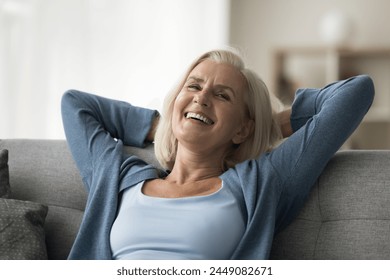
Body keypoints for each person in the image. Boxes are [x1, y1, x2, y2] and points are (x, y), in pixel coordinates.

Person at [61, 48, 374, 260]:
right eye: (194, 87)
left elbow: (356, 92)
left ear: (241, 129)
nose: (202, 98)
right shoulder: (118, 177)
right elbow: (75, 104)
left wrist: (271, 126)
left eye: (222, 95)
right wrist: (166, 125)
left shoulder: (262, 182)